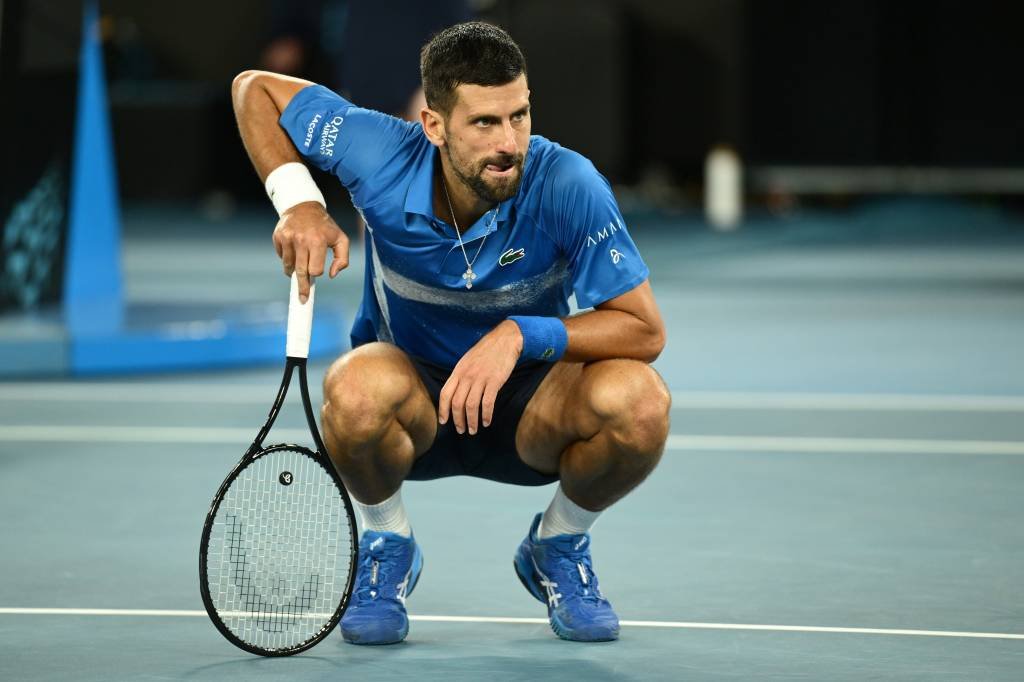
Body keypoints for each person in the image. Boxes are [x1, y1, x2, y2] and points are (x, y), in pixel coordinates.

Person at [231, 21, 670, 644]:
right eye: (484, 123)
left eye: (519, 116)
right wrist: (298, 200)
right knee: (353, 389)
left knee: (642, 403)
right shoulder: (378, 154)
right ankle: (388, 541)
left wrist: (522, 335)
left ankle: (558, 543)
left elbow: (643, 329)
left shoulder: (568, 183)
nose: (510, 141)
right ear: (434, 126)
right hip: (417, 407)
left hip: (533, 408)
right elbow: (256, 89)